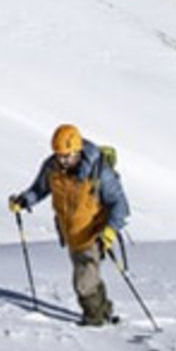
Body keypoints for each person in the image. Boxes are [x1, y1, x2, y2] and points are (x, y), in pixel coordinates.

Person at [9, 124, 131, 327]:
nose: (62, 160)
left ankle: (94, 320)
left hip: (95, 233)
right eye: (59, 155)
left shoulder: (98, 170)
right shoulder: (52, 167)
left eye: (67, 155)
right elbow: (39, 189)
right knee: (87, 275)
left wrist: (109, 231)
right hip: (70, 233)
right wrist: (24, 201)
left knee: (83, 281)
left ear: (78, 151)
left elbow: (120, 204)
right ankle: (103, 310)